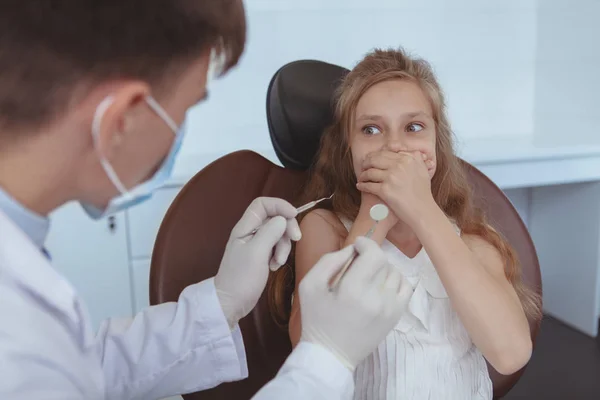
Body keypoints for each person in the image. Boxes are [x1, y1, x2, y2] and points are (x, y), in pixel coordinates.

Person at [0, 2, 410, 399]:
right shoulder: (18, 341)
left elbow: (87, 368)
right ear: (120, 120)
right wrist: (327, 360)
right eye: (183, 111)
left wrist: (222, 301)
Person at [268, 48, 543, 399]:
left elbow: (511, 354)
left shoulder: (472, 240)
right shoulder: (326, 229)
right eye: (371, 129)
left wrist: (421, 209)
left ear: (436, 145)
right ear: (348, 148)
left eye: (413, 127)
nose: (395, 146)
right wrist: (377, 210)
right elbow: (310, 344)